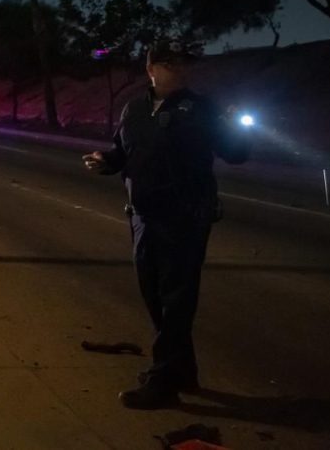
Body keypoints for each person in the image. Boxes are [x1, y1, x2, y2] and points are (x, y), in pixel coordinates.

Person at [82, 40, 250, 409]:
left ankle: (163, 381)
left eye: (184, 63)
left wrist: (238, 129)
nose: (180, 69)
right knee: (154, 295)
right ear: (151, 68)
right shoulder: (135, 108)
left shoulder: (203, 109)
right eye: (170, 63)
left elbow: (236, 154)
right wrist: (105, 162)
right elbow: (123, 152)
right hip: (142, 215)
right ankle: (182, 370)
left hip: (185, 217)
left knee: (176, 299)